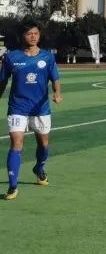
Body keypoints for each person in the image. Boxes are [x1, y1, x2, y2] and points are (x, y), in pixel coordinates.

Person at [0, 20, 62, 201]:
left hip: (40, 108)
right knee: (16, 143)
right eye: (29, 34)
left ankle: (39, 168)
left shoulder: (47, 57)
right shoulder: (12, 57)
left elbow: (55, 78)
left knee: (43, 145)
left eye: (36, 33)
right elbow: (2, 81)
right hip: (17, 107)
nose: (33, 36)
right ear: (22, 36)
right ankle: (13, 186)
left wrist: (58, 94)